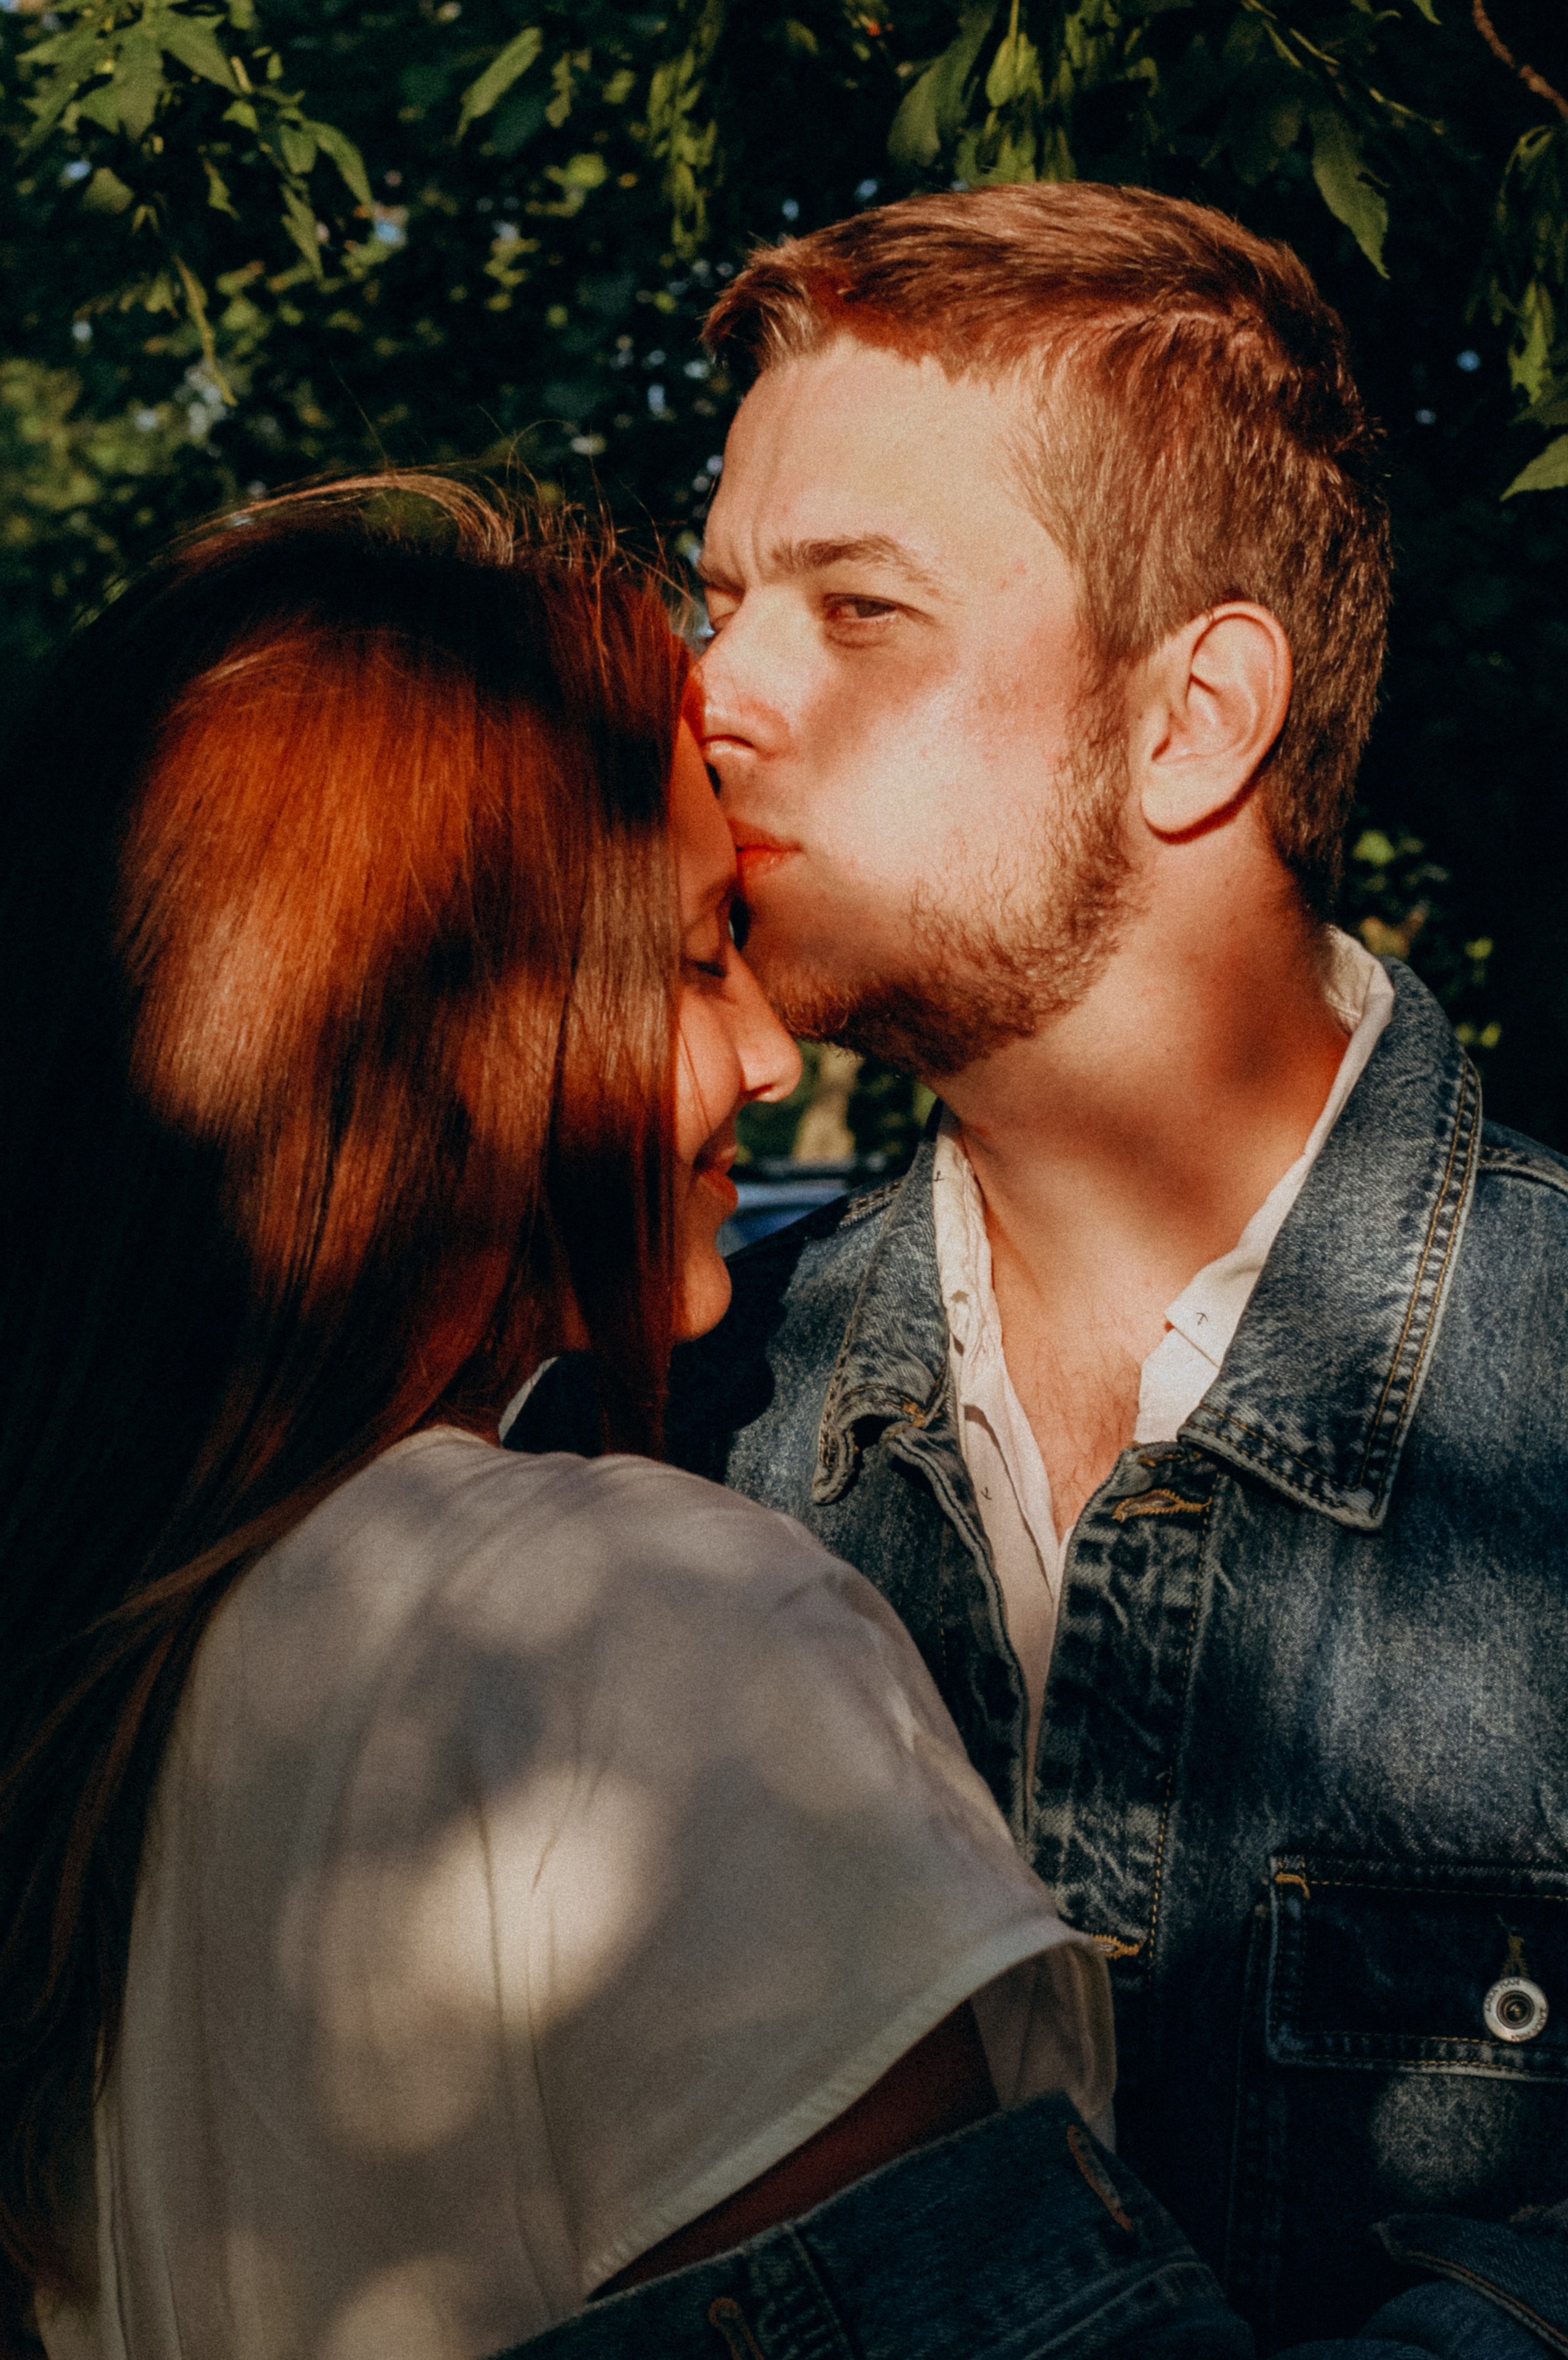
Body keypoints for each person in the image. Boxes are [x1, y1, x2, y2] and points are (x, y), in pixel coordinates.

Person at [511, 184, 1568, 2351]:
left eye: (860, 611)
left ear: (1198, 719)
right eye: (720, 601)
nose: (713, 697)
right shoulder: (651, 1434)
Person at [0, 476, 1118, 2360]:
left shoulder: (127, 1663)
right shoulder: (628, 1626)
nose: (771, 1053)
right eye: (691, 961)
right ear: (421, 1012)